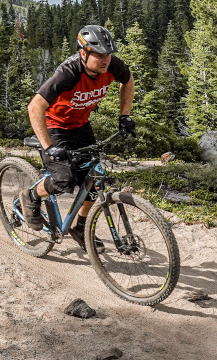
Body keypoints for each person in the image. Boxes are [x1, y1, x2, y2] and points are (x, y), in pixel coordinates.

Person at [23, 23, 136, 246]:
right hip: (55, 126)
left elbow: (128, 81)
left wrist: (124, 116)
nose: (105, 60)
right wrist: (49, 147)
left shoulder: (112, 66)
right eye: (99, 55)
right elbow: (34, 107)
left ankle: (81, 228)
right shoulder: (68, 73)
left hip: (80, 125)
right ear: (83, 53)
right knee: (64, 179)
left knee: (94, 179)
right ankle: (31, 196)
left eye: (108, 55)